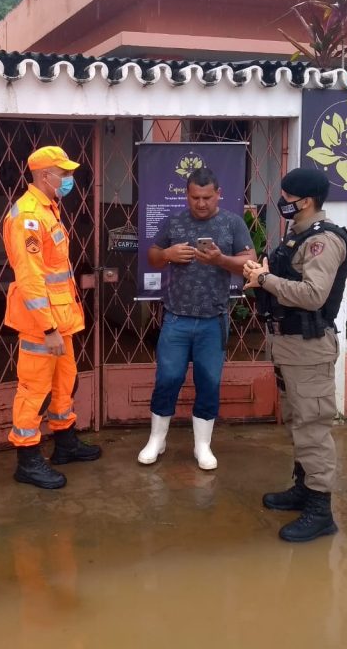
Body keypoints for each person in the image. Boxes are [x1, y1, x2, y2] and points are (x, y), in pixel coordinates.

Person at [242, 168, 347, 542]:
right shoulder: (299, 236)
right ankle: (304, 488)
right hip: (290, 345)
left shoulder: (324, 241)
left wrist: (265, 280)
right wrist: (266, 272)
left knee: (313, 427)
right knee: (298, 420)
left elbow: (313, 294)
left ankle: (321, 510)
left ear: (305, 201)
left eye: (287, 197)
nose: (282, 203)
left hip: (309, 348)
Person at [138, 167, 254, 470]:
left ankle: (202, 445)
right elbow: (151, 254)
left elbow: (249, 263)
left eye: (207, 197)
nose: (200, 203)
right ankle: (157, 439)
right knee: (168, 379)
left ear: (218, 194)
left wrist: (220, 259)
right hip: (176, 317)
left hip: (212, 319)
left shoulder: (232, 223)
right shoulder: (174, 221)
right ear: (186, 195)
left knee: (209, 382)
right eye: (194, 197)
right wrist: (167, 255)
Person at [1, 145, 101, 490]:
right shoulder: (27, 216)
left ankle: (65, 443)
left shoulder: (49, 209)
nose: (70, 179)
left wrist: (58, 325)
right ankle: (27, 459)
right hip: (41, 325)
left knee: (64, 383)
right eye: (65, 173)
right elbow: (30, 279)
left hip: (61, 320)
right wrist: (47, 327)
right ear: (46, 175)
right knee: (35, 389)